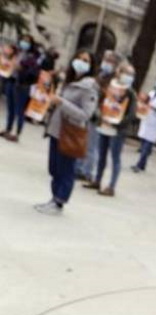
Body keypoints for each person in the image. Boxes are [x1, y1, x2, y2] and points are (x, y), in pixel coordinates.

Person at [34, 50, 99, 215]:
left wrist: (61, 102)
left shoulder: (89, 87)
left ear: (91, 66)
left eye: (85, 60)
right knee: (54, 168)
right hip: (56, 129)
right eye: (78, 58)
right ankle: (54, 198)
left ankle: (59, 202)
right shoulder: (69, 80)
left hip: (70, 132)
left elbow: (86, 114)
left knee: (65, 169)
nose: (80, 62)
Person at [82, 62, 138, 197]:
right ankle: (97, 180)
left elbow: (131, 114)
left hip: (117, 130)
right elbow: (102, 102)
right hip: (104, 125)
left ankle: (111, 186)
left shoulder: (130, 93)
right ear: (118, 72)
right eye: (126, 73)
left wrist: (118, 124)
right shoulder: (111, 86)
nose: (128, 76)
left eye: (131, 74)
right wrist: (101, 116)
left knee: (115, 157)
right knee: (101, 155)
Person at [76, 49, 119, 182]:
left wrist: (100, 90)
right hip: (89, 109)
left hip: (99, 114)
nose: (107, 63)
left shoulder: (114, 80)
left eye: (110, 61)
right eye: (106, 60)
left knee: (92, 144)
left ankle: (87, 171)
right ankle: (78, 167)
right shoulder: (99, 74)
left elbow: (111, 97)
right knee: (82, 141)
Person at [2, 35, 40, 142]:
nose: (24, 42)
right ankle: (8, 129)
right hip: (11, 80)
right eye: (23, 40)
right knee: (10, 108)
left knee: (19, 110)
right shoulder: (17, 52)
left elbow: (32, 71)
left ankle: (17, 133)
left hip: (22, 84)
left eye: (27, 41)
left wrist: (21, 68)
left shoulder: (32, 56)